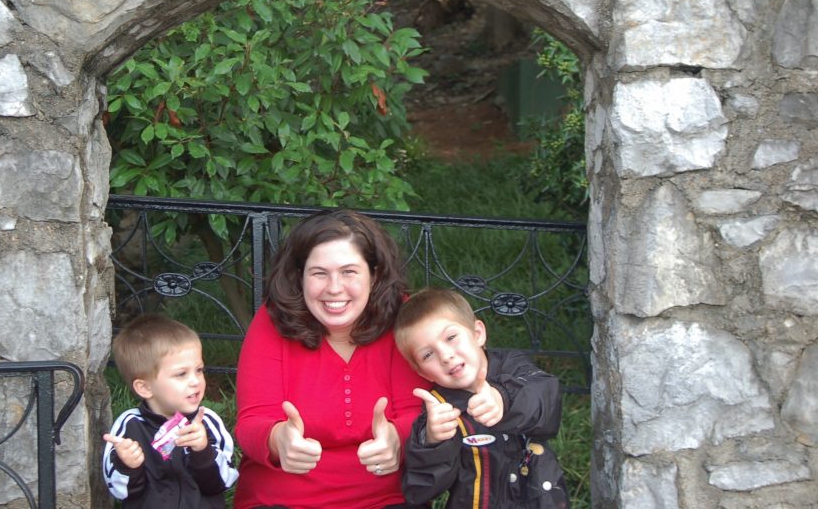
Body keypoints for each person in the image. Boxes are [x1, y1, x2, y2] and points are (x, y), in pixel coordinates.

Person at [234, 209, 429, 509]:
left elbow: (416, 411)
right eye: (319, 273)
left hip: (383, 498)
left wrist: (398, 437)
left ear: (374, 274)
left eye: (349, 272)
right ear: (299, 276)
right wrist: (277, 439)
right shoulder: (272, 320)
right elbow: (251, 421)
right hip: (283, 499)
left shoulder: (401, 319)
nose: (334, 288)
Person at [393, 288, 569, 509]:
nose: (446, 356)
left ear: (478, 334)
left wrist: (504, 399)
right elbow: (419, 491)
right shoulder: (438, 411)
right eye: (428, 354)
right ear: (422, 373)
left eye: (451, 337)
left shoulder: (514, 368)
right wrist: (433, 442)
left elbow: (547, 399)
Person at [102, 314, 239, 508]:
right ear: (145, 388)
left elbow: (224, 482)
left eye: (199, 370)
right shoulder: (130, 426)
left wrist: (203, 451)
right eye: (181, 374)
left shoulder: (207, 422)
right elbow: (119, 492)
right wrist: (127, 465)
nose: (195, 381)